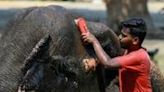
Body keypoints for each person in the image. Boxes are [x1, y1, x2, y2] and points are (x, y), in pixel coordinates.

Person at [76, 18, 152, 92]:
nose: (119, 37)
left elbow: (108, 63)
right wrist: (96, 61)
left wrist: (94, 41)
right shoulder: (129, 51)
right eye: (120, 34)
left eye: (124, 36)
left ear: (135, 40)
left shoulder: (138, 56)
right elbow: (114, 61)